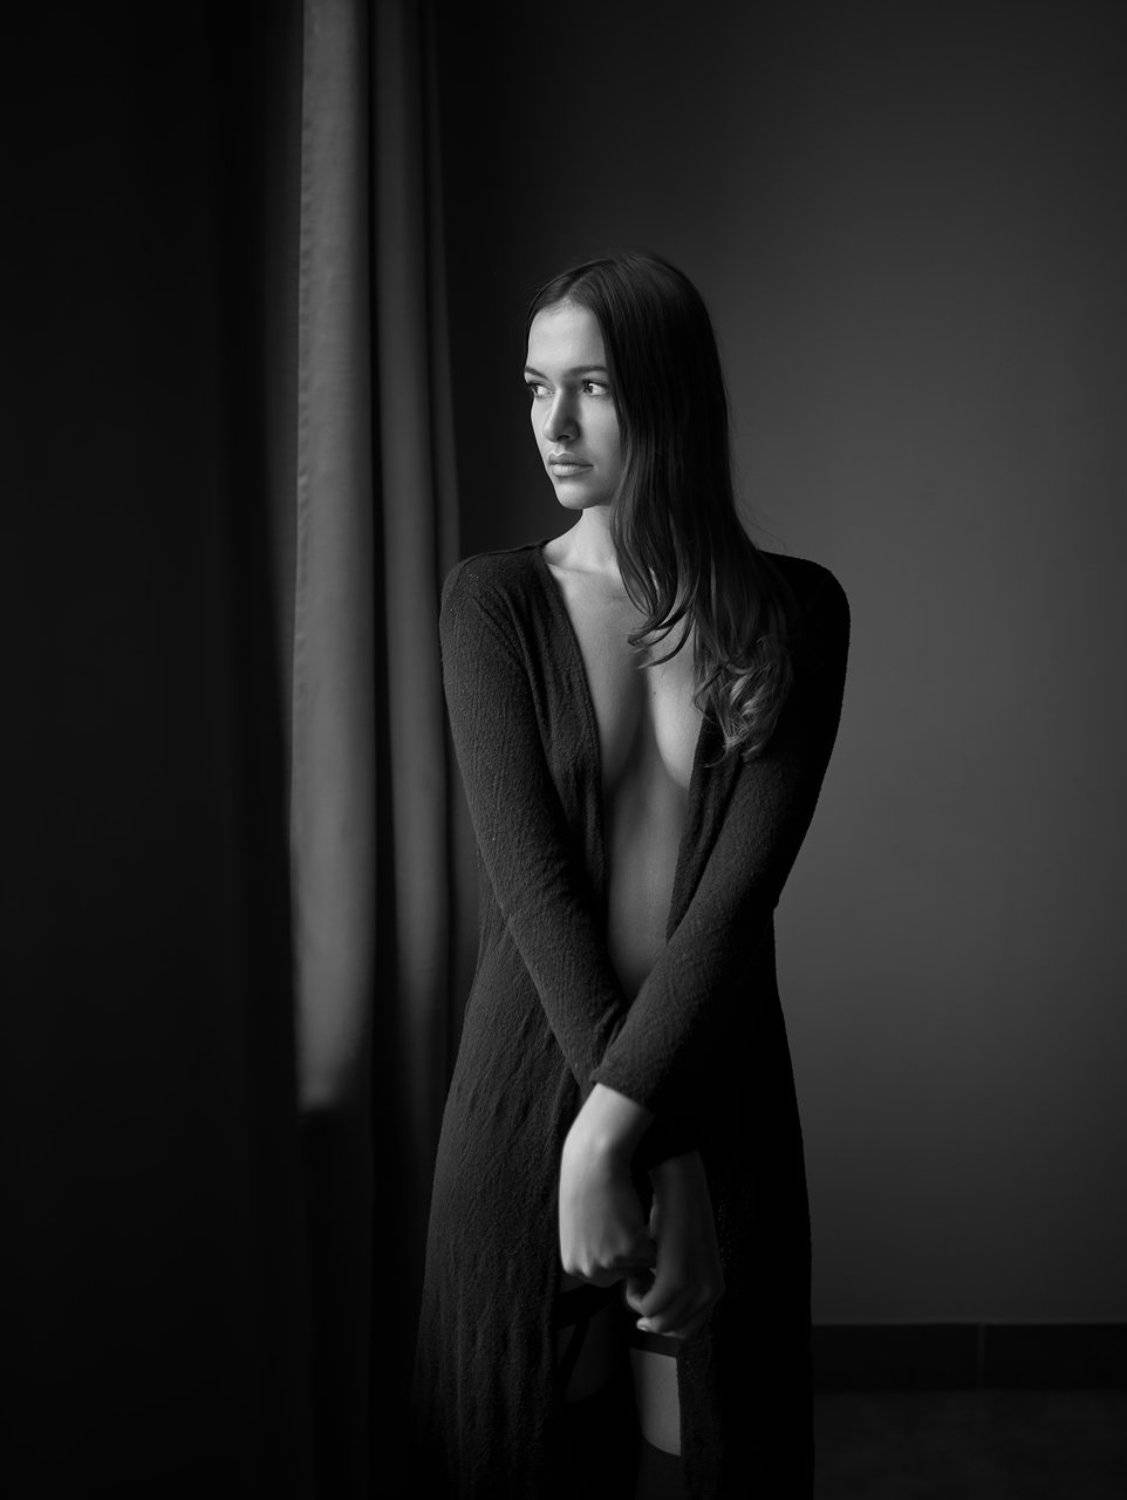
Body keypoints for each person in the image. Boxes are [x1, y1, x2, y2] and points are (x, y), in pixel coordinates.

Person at [409, 250, 851, 1498]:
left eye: (590, 386)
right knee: (520, 1452)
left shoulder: (798, 615)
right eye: (535, 386)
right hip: (525, 1097)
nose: (551, 424)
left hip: (717, 1086)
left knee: (722, 1455)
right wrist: (645, 1147)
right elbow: (536, 897)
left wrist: (627, 1132)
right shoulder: (492, 604)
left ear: (667, 397)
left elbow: (732, 904)